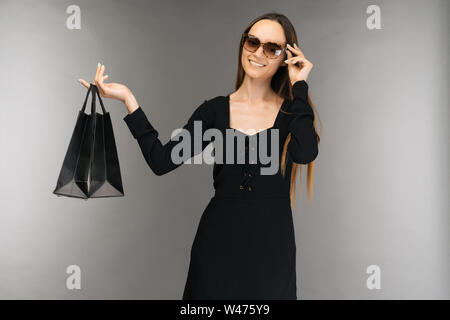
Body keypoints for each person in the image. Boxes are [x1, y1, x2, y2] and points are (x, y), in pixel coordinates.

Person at [78, 12, 320, 300]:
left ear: (285, 57)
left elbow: (306, 153)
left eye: (272, 48)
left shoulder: (292, 111)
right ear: (243, 44)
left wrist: (300, 85)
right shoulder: (214, 111)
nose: (258, 52)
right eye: (252, 42)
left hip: (273, 247)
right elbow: (161, 160)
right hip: (218, 244)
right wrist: (128, 99)